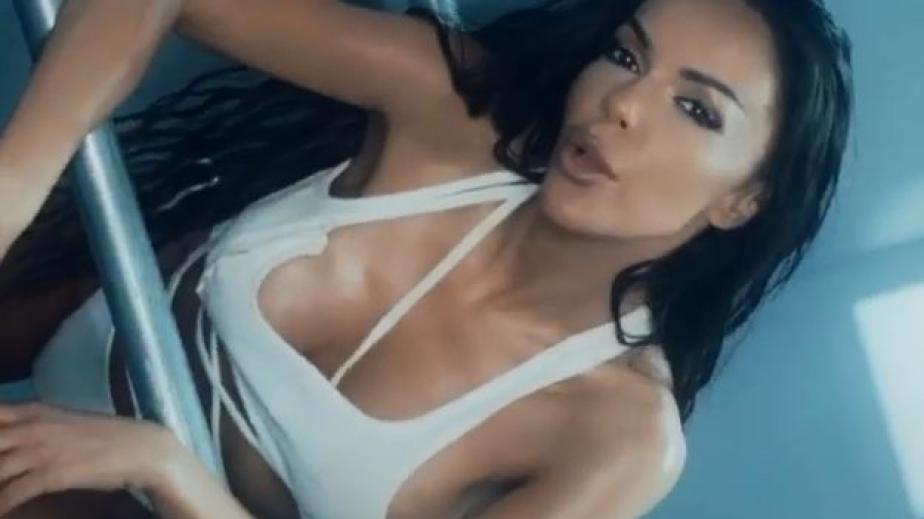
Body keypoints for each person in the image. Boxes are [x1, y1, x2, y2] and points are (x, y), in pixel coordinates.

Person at [0, 0, 853, 517]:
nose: (623, 103)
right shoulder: (465, 114)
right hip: (69, 303)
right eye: (626, 54)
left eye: (697, 110)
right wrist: (19, 176)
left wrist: (167, 471)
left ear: (745, 200)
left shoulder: (619, 434)